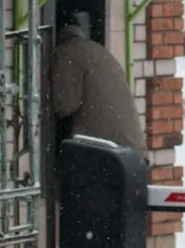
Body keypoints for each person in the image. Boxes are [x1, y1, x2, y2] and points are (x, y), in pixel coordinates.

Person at [50, 13, 146, 149]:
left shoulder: (65, 52)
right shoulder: (98, 49)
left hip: (106, 150)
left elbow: (64, 105)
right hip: (129, 150)